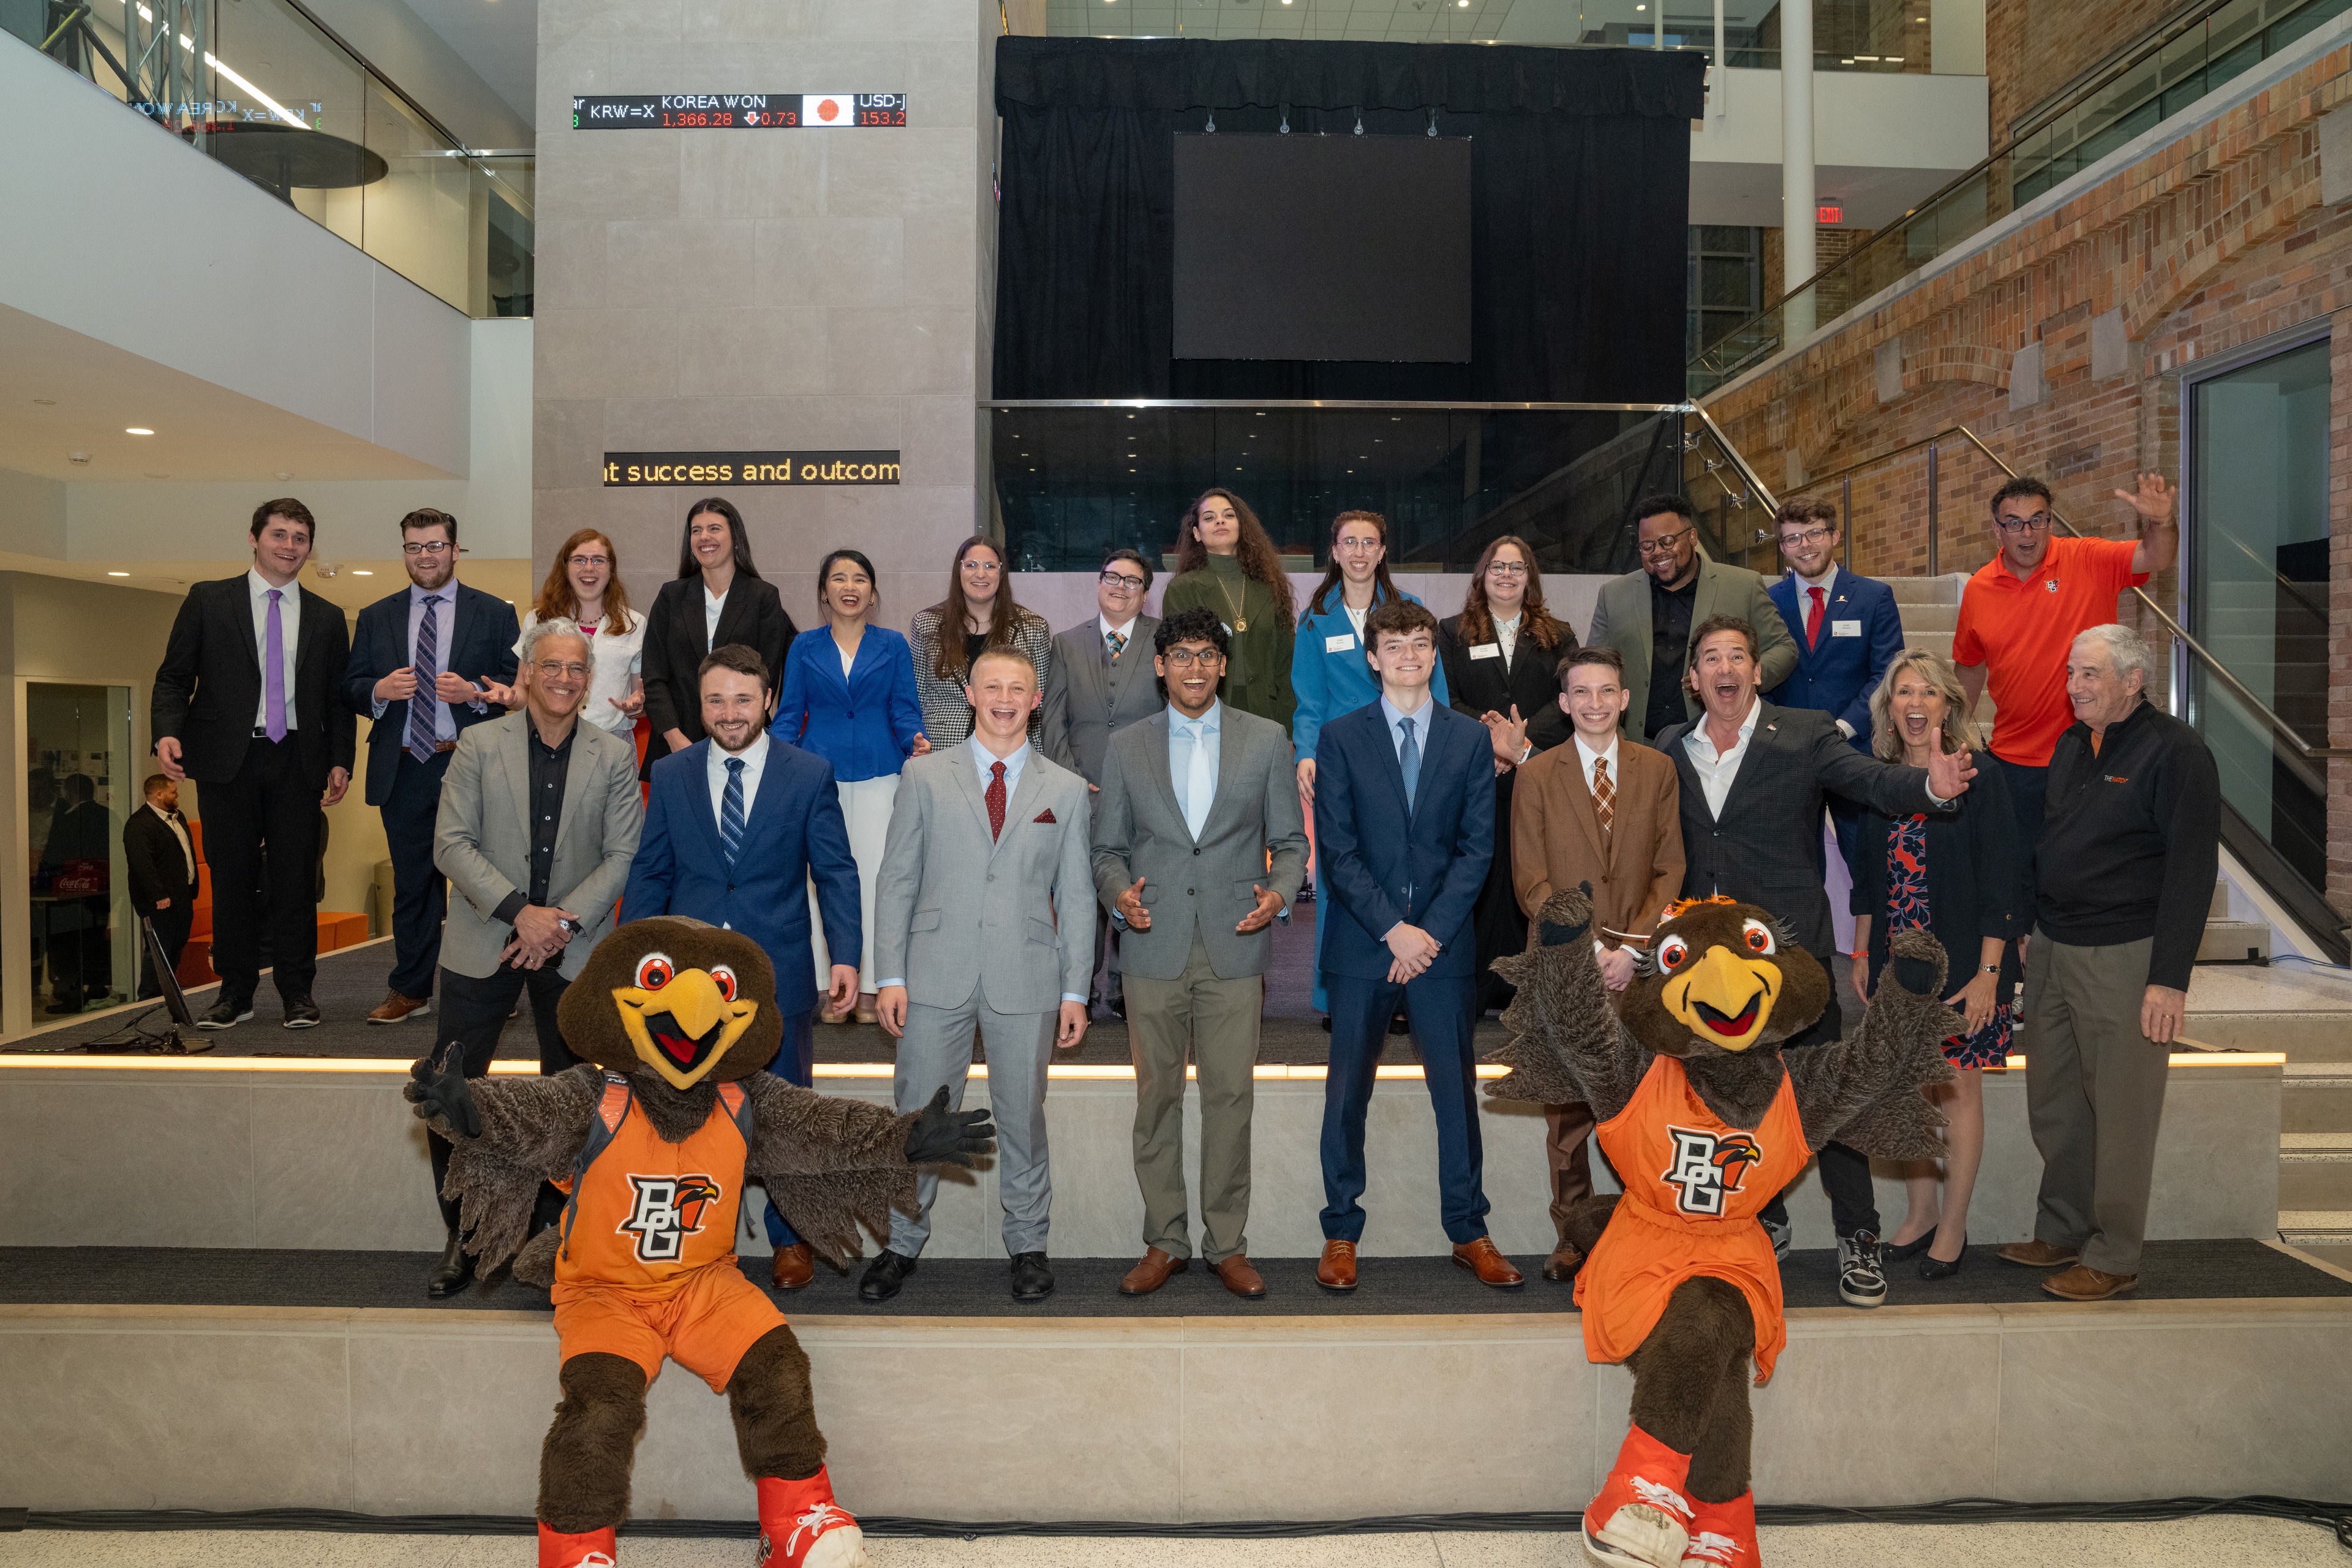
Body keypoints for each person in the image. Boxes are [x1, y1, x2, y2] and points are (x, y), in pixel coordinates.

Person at [1656, 615, 1975, 1309]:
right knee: (1732, 1101)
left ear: (1757, 670)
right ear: (1694, 678)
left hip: (1790, 961)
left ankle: (1857, 1235)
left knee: (1825, 1103)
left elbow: (1868, 781)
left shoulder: (1803, 733)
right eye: (1710, 657)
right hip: (1707, 976)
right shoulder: (1669, 746)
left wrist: (1928, 789)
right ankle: (1763, 1218)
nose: (1725, 667)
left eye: (1737, 654)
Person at [628, 642, 862, 1292]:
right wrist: (629, 967)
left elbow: (836, 872)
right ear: (700, 707)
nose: (729, 712)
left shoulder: (809, 773)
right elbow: (651, 872)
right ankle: (704, 1240)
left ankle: (792, 1238)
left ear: (769, 701)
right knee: (690, 1117)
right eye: (715, 700)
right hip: (685, 990)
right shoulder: (673, 776)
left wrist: (846, 956)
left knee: (783, 1114)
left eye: (742, 698)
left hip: (777, 974)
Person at [1091, 608, 1309, 1300]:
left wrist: (1279, 893)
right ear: (1160, 665)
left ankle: (1227, 1245)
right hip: (1152, 945)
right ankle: (1165, 1240)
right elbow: (1105, 850)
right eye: (1181, 655)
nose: (1194, 667)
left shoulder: (1266, 740)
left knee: (1230, 1099)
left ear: (1223, 665)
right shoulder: (1126, 746)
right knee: (1156, 1100)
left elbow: (1293, 843)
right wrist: (1119, 893)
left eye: (1207, 655)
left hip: (1235, 943)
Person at [867, 647, 1095, 1305]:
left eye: (1016, 688)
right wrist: (891, 974)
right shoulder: (924, 776)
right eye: (991, 685)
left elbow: (1078, 896)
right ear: (969, 693)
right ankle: (901, 1243)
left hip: (1027, 978)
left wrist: (1075, 988)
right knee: (918, 1114)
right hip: (933, 974)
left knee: (1022, 1116)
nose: (1003, 698)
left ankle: (1027, 1244)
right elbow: (897, 880)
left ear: (1032, 699)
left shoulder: (1067, 789)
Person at [1998, 624, 2218, 1303]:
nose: (2075, 686)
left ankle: (2117, 1252)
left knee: (2122, 1109)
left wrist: (2169, 978)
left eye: (2090, 674)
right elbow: (2049, 842)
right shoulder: (2071, 744)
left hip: (2127, 955)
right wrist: (2033, 925)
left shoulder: (2176, 752)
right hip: (2056, 947)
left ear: (2133, 679)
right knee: (2056, 1100)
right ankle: (2063, 1228)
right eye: (2072, 673)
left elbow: (2191, 870)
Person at [424, 617, 643, 1298]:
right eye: (550, 666)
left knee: (575, 1096)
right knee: (452, 1089)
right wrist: (521, 912)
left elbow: (621, 856)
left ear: (589, 681)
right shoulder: (477, 745)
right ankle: (466, 1236)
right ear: (526, 673)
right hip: (482, 939)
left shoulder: (613, 756)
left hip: (572, 951)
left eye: (577, 669)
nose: (564, 679)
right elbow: (451, 844)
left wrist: (557, 924)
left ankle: (564, 1234)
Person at [1311, 600, 1518, 1292]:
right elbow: (1337, 850)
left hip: (1444, 944)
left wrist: (1426, 932)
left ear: (1435, 654)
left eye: (1421, 643)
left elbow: (1477, 850)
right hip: (1365, 944)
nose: (1408, 653)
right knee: (1346, 1094)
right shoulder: (1340, 737)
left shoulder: (1467, 739)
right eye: (1394, 643)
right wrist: (1391, 928)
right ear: (1372, 657)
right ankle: (1341, 1229)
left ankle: (1469, 1229)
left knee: (1456, 1093)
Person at [1849, 650, 2026, 1280]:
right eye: (1903, 693)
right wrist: (1865, 949)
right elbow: (1868, 876)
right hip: (1899, 964)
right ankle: (1919, 1213)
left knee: (1957, 1088)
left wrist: (1990, 974)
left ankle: (1953, 1224)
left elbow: (2006, 879)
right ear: (1888, 707)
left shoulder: (1981, 774)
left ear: (1949, 705)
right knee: (1906, 1088)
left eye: (1928, 692)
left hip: (1967, 962)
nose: (1915, 703)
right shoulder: (1879, 778)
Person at [1510, 645, 1683, 1281]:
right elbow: (1530, 880)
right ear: (1563, 703)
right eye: (1581, 693)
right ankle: (1574, 1237)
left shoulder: (1658, 769)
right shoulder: (1537, 775)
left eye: (1606, 691)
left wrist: (1632, 947)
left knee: (1644, 1111)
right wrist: (1588, 951)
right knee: (1569, 1115)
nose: (1594, 704)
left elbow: (1671, 868)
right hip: (1566, 968)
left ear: (1626, 697)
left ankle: (1647, 1228)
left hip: (1639, 971)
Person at [151, 498, 354, 1030]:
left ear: (310, 547)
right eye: (280, 535)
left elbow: (337, 701)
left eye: (300, 538)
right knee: (234, 879)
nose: (289, 547)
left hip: (297, 762)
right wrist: (167, 732)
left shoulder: (328, 618)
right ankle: (235, 992)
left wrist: (340, 761)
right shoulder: (208, 601)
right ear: (254, 538)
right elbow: (174, 676)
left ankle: (297, 994)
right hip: (227, 761)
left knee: (295, 882)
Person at [341, 508, 520, 1026]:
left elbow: (514, 688)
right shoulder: (377, 615)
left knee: (482, 884)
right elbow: (350, 684)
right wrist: (377, 690)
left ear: (456, 550)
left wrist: (475, 695)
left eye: (435, 546)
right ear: (404, 552)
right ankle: (411, 990)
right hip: (404, 766)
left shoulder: (493, 613)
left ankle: (489, 986)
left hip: (471, 767)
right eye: (414, 547)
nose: (425, 556)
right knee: (413, 886)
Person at [1951, 473, 2177, 846]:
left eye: (2037, 520)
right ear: (1997, 530)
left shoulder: (2088, 558)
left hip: (2094, 756)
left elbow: (2157, 556)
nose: (2027, 533)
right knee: (2021, 874)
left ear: (2050, 522)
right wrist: (1951, 734)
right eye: (2014, 523)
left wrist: (2161, 522)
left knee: (2087, 872)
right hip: (2015, 762)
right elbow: (1971, 666)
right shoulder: (1978, 588)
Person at [1291, 510, 1447, 1020]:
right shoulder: (1315, 618)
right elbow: (1310, 699)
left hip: (1406, 750)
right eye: (1349, 542)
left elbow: (1435, 687)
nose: (1359, 552)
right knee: (1341, 873)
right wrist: (1307, 753)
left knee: (1406, 869)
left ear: (1383, 552)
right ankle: (1338, 992)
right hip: (1343, 759)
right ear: (1334, 551)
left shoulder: (1412, 609)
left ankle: (1404, 992)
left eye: (1370, 542)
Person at [769, 549, 929, 1025]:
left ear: (873, 593)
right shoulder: (803, 646)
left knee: (880, 879)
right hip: (819, 775)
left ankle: (876, 986)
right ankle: (828, 986)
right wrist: (775, 761)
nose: (849, 586)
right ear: (824, 592)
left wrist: (915, 740)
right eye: (838, 578)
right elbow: (791, 712)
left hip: (883, 773)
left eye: (859, 578)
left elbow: (904, 707)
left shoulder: (894, 644)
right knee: (822, 883)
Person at [1439, 535, 1578, 1014]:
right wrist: (1491, 740)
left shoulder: (1559, 635)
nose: (1506, 575)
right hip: (1475, 772)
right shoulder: (1451, 632)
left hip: (1535, 770)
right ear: (1483, 574)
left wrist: (1517, 742)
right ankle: (1474, 990)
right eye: (1497, 566)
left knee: (1531, 875)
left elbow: (1568, 697)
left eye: (1517, 568)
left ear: (1530, 577)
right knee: (1480, 877)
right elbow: (1446, 698)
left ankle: (1530, 994)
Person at [1041, 547, 1164, 1017]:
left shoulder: (1162, 641)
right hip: (1082, 789)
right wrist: (1072, 777)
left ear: (1145, 593)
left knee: (1138, 886)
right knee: (1079, 891)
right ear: (1098, 583)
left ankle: (1126, 986)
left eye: (1132, 581)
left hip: (1143, 791)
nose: (1120, 587)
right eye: (1112, 577)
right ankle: (1078, 986)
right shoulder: (1067, 643)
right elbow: (1052, 719)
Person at [1583, 494, 1796, 744]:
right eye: (1647, 546)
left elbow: (1785, 649)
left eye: (1667, 541)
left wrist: (1741, 676)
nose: (1658, 552)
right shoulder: (1614, 595)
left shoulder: (1743, 585)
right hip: (1636, 745)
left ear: (1693, 537)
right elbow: (1592, 667)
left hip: (1721, 742)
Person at [1763, 496, 1903, 866]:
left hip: (1854, 749)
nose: (1805, 545)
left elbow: (1887, 673)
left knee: (1868, 864)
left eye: (1814, 534)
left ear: (1835, 536)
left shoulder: (1874, 598)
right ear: (1782, 547)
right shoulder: (1767, 601)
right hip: (1788, 753)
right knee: (1795, 869)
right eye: (1793, 538)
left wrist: (1843, 727)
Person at [639, 497, 796, 772]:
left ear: (735, 538)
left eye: (714, 528)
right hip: (677, 745)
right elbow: (653, 677)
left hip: (743, 743)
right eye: (696, 530)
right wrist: (674, 738)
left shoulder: (763, 597)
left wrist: (736, 735)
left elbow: (765, 677)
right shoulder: (671, 596)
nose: (704, 537)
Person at [1161, 488, 1297, 731]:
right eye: (1209, 518)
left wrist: (1289, 729)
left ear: (1241, 526)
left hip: (1268, 714)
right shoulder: (1182, 590)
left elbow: (1286, 663)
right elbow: (1177, 663)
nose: (1220, 521)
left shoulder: (1270, 586)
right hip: (1206, 714)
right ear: (1197, 533)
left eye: (1228, 515)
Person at [908, 535, 1054, 749]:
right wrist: (917, 743)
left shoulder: (1033, 628)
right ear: (959, 571)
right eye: (971, 565)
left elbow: (1039, 704)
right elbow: (917, 698)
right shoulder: (926, 624)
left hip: (1009, 747)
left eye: (990, 566)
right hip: (942, 748)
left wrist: (1039, 758)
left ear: (1001, 573)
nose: (981, 574)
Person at [518, 528, 646, 737]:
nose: (589, 568)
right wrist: (505, 697)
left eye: (598, 560)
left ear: (611, 569)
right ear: (565, 567)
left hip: (613, 739)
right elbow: (522, 690)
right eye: (579, 560)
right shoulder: (538, 619)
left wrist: (636, 708)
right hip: (547, 736)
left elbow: (637, 698)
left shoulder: (634, 623)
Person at [39, 774, 114, 1012]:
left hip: (70, 897)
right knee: (96, 944)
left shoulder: (66, 822)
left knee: (68, 945)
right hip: (103, 894)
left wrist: (42, 881)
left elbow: (53, 859)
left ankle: (71, 993)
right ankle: (97, 987)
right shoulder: (109, 816)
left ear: (69, 793)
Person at [124, 774, 197, 999]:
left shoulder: (178, 817)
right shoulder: (139, 824)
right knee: (159, 948)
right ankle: (148, 995)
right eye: (173, 792)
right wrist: (158, 894)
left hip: (183, 894)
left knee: (177, 943)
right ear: (159, 795)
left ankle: (167, 991)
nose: (177, 795)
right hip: (160, 900)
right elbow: (141, 864)